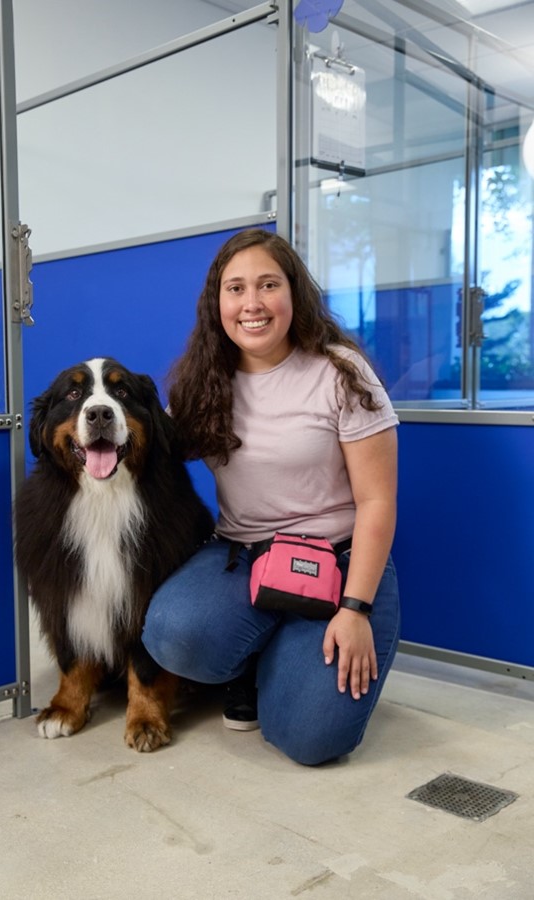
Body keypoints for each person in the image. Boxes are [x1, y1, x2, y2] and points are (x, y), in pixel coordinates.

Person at [142, 228, 400, 766]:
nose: (252, 304)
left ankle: (288, 654)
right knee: (171, 634)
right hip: (243, 557)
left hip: (337, 564)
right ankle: (257, 655)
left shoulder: (342, 374)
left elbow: (377, 502)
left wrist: (354, 610)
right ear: (217, 304)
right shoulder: (200, 383)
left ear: (294, 293)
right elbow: (151, 447)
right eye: (235, 289)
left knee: (309, 739)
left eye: (267, 285)